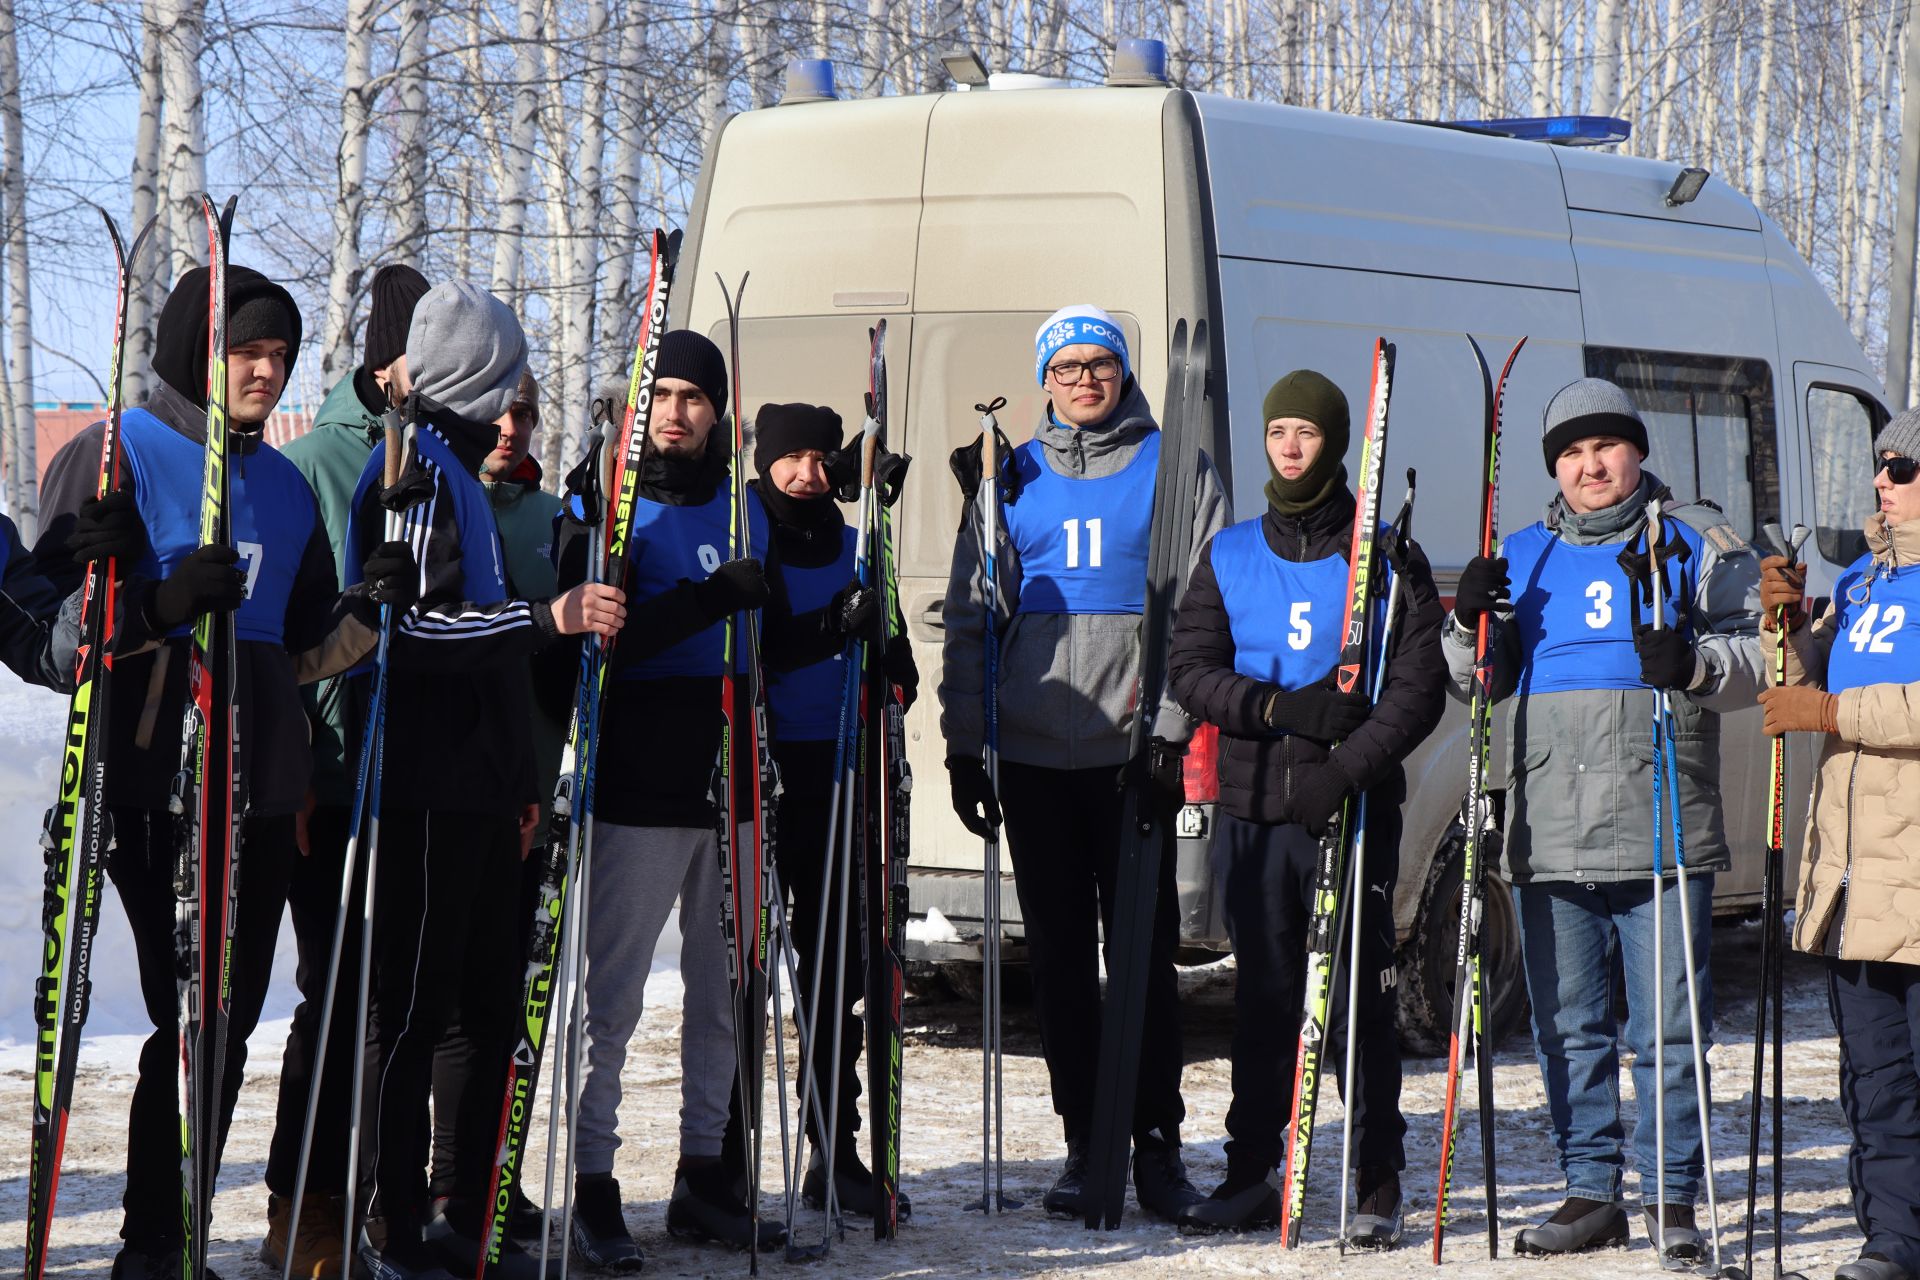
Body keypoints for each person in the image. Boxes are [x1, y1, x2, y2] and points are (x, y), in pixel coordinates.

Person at [33, 263, 409, 1280]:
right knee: (180, 1014)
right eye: (249, 350)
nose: (269, 372)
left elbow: (301, 645)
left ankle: (182, 1226)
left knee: (227, 1021)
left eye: (282, 356)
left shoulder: (284, 485)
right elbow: (53, 637)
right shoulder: (120, 450)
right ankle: (151, 1241)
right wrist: (153, 604)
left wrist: (372, 606)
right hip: (152, 784)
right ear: (199, 349)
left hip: (259, 792)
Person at [1443, 377, 1763, 1262]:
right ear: (1555, 466)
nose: (1591, 466)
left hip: (1661, 818)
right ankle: (1592, 1191)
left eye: (1606, 448)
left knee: (1667, 1027)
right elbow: (1478, 680)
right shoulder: (1523, 552)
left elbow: (1766, 651)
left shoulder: (1697, 541)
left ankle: (1670, 1197)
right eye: (1573, 453)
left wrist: (1694, 663)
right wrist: (1470, 627)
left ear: (1637, 451)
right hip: (1548, 827)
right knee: (1568, 1027)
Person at [345, 282, 624, 1280]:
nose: (513, 388)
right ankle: (389, 1219)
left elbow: (478, 647)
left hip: (477, 783)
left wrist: (516, 775)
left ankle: (465, 1207)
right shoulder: (413, 470)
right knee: (413, 1011)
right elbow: (407, 631)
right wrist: (548, 616)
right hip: (422, 783)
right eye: (503, 368)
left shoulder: (453, 465)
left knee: (477, 1008)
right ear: (473, 371)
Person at [939, 304, 1228, 1221]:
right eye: (1066, 370)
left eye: (1099, 365)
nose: (1085, 382)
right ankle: (1082, 1141)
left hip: (1131, 752)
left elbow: (1201, 609)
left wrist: (1174, 725)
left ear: (1123, 373)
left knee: (1140, 955)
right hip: (1032, 752)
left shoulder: (1173, 468)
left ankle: (1156, 1143)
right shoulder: (1005, 476)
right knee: (1059, 960)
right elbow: (974, 617)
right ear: (1044, 383)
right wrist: (964, 745)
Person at [1166, 368, 1444, 1242]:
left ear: (1336, 441)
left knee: (1358, 995)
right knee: (1267, 998)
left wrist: (1345, 768)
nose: (1291, 447)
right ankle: (1252, 1168)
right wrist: (1280, 709)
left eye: (1309, 433)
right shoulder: (1231, 551)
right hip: (1255, 814)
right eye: (1279, 431)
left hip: (1351, 809)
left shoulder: (1386, 558)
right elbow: (1192, 669)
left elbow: (1418, 688)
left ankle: (1374, 1174)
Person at [555, 330, 783, 1266]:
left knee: (724, 995)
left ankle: (704, 1178)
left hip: (728, 780)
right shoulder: (608, 510)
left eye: (696, 397)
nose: (679, 413)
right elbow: (607, 643)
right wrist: (705, 601)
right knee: (611, 1001)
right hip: (638, 782)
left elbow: (768, 630)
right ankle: (592, 1185)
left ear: (719, 411)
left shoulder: (744, 510)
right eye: (665, 396)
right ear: (636, 408)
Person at [265, 261, 431, 1280]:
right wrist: (308, 769)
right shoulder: (326, 461)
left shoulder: (440, 458)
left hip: (417, 771)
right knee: (334, 996)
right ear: (384, 360)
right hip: (333, 776)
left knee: (398, 998)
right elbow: (306, 631)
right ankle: (304, 1199)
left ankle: (381, 1193)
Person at [1756, 409, 1920, 1280]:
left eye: (1902, 469)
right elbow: (1796, 686)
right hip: (1858, 881)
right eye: (1880, 467)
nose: (1882, 483)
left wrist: (1829, 711)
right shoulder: (1862, 582)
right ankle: (1893, 1244)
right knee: (1878, 1082)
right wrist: (1786, 631)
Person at [752, 401, 916, 1217]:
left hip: (841, 772)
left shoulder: (858, 549)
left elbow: (902, 672)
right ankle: (721, 1156)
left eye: (821, 460)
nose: (808, 474)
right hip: (759, 769)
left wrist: (879, 646)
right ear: (765, 459)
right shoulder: (748, 532)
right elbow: (759, 643)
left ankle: (836, 1148)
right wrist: (828, 625)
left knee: (834, 973)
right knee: (744, 973)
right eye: (793, 458)